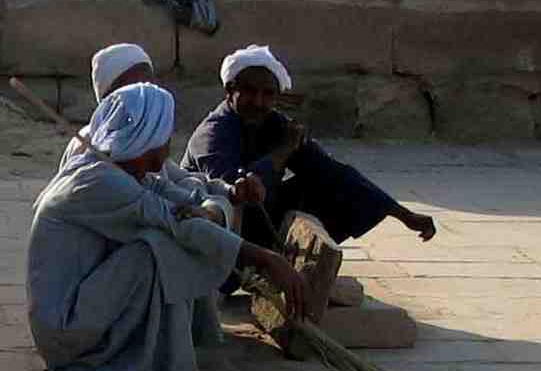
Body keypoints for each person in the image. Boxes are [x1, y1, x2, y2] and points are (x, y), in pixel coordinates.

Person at [27, 82, 305, 371]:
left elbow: (185, 199)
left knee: (174, 237)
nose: (168, 145)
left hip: (78, 312)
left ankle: (175, 338)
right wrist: (266, 258)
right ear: (147, 139)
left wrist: (216, 206)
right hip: (65, 332)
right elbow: (178, 222)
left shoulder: (124, 171)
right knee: (158, 247)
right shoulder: (97, 180)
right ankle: (139, 355)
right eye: (165, 137)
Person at [181, 45, 438, 249]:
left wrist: (403, 215)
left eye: (268, 94)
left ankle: (292, 259)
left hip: (256, 225)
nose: (259, 102)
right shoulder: (213, 132)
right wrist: (282, 152)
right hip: (217, 236)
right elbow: (233, 193)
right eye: (249, 91)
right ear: (230, 91)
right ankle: (261, 265)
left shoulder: (276, 124)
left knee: (335, 184)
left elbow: (331, 171)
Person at [56, 43, 265, 217]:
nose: (146, 96)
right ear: (110, 100)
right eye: (134, 90)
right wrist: (210, 212)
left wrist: (230, 192)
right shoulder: (94, 147)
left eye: (149, 85)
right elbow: (156, 211)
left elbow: (177, 180)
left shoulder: (143, 142)